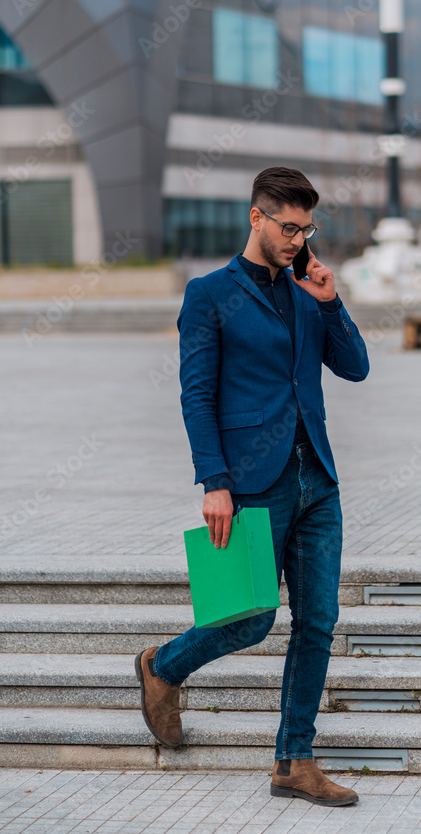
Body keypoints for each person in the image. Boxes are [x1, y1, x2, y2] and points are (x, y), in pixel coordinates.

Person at [135, 166, 370, 807]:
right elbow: (196, 394)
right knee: (251, 618)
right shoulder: (209, 294)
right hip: (251, 482)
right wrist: (214, 480)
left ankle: (294, 761)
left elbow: (355, 368)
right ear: (256, 218)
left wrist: (330, 299)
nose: (297, 239)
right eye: (288, 227)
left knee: (318, 619)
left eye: (306, 229)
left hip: (316, 477)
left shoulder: (306, 291)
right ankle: (163, 666)